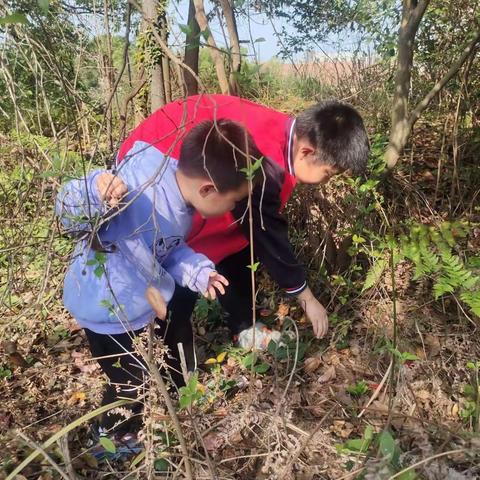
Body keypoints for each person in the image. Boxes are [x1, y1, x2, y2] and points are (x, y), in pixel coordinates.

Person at [117, 94, 370, 360]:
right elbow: (267, 234)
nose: (327, 182)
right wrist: (306, 297)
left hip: (185, 176)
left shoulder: (281, 132)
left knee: (237, 243)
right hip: (149, 185)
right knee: (174, 275)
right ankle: (169, 364)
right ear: (307, 152)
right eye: (328, 174)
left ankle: (243, 327)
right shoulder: (265, 163)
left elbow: (251, 226)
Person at [55, 119, 261, 445]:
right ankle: (112, 438)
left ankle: (173, 402)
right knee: (128, 383)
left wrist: (199, 273)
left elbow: (169, 250)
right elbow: (67, 211)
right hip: (107, 313)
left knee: (153, 360)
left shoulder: (180, 202)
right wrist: (96, 190)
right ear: (208, 189)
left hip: (138, 306)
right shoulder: (136, 187)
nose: (234, 208)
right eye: (234, 200)